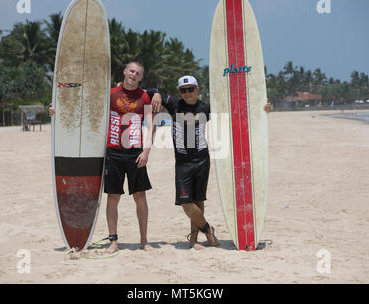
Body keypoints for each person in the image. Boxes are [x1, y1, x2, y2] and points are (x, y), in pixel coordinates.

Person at [149, 76, 270, 250]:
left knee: (198, 201)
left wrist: (262, 107)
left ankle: (193, 240)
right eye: (183, 90)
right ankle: (207, 230)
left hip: (201, 160)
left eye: (191, 89)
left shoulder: (205, 107)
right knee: (185, 202)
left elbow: (238, 106)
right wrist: (157, 95)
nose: (187, 93)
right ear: (179, 92)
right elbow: (151, 91)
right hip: (182, 162)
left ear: (198, 90)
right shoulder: (175, 104)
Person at [50, 61, 157, 253]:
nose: (134, 74)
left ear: (141, 77)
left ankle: (144, 240)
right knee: (113, 196)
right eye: (131, 71)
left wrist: (146, 151)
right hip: (113, 152)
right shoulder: (109, 94)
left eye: (138, 73)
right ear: (124, 72)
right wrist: (57, 110)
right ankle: (113, 241)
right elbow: (85, 110)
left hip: (135, 152)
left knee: (140, 196)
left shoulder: (145, 97)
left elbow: (151, 125)